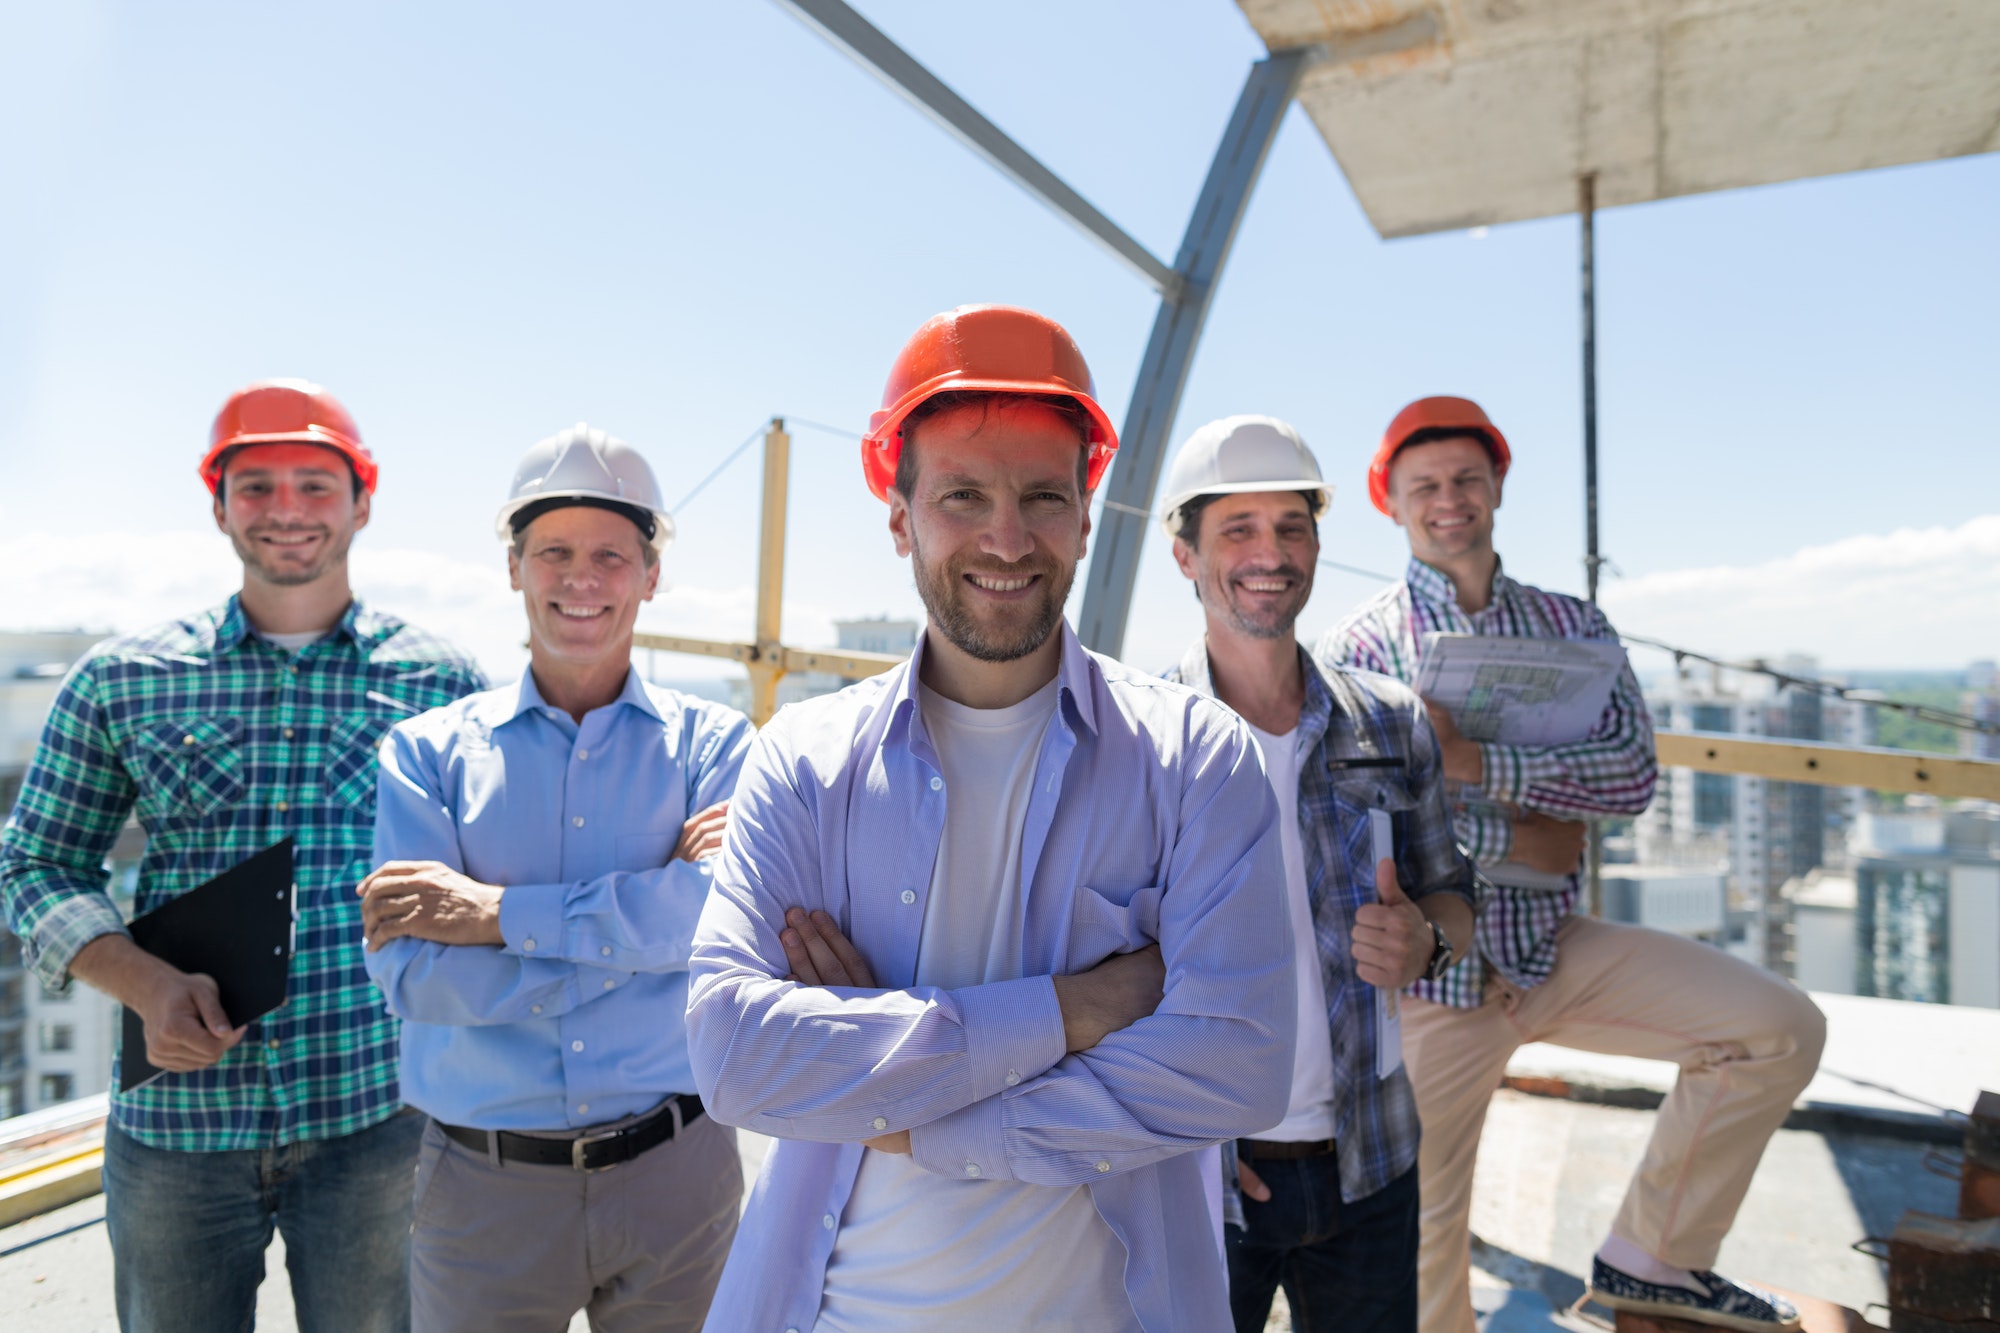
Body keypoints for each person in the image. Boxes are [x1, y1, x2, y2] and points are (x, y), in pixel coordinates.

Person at [685, 304, 1297, 1333]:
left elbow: (1237, 1066)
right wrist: (1075, 1008)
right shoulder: (802, 762)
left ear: (1086, 518)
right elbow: (733, 1054)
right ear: (900, 518)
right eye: (962, 494)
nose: (1005, 537)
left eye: (1041, 498)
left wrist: (895, 1103)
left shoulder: (1195, 760)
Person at [1318, 396, 1826, 1333]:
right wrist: (1524, 834)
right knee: (1415, 1247)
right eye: (1424, 484)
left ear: (1499, 485)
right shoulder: (1358, 648)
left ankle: (1654, 1259)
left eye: (1468, 477)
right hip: (1435, 989)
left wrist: (1469, 762)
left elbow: (1630, 774)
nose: (1449, 500)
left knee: (1779, 1027)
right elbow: (1355, 831)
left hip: (1552, 948)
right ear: (1389, 501)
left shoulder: (1569, 622)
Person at [0, 379, 486, 1333]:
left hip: (377, 1117)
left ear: (362, 502)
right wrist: (141, 983)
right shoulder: (126, 677)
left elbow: (495, 879)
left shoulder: (441, 680)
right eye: (256, 485)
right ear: (218, 503)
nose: (287, 511)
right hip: (177, 1126)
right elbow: (36, 863)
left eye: (315, 484)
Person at [361, 424, 752, 1333]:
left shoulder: (717, 745)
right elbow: (417, 977)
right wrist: (650, 931)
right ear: (514, 568)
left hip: (678, 1177)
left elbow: (723, 928)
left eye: (612, 555)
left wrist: (499, 917)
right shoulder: (426, 755)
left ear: (651, 575)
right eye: (555, 552)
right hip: (482, 1194)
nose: (583, 578)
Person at [1158, 415, 1478, 1333]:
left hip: (1370, 1164)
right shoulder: (1139, 743)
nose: (1270, 552)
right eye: (1238, 529)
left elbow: (1453, 888)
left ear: (1318, 544)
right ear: (1185, 555)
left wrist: (1428, 936)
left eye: (1291, 527)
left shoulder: (1389, 721)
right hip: (1200, 1175)